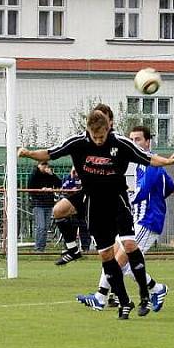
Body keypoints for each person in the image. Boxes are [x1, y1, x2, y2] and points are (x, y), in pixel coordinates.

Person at [19, 110, 174, 319]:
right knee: (106, 255)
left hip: (118, 201)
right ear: (88, 130)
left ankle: (143, 295)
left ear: (108, 129)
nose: (98, 141)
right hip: (94, 205)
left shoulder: (120, 143)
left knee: (129, 247)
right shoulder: (78, 143)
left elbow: (149, 158)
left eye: (102, 136)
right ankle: (122, 300)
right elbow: (50, 153)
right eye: (94, 137)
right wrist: (29, 153)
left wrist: (167, 161)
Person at [76, 126, 174, 312]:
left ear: (148, 142)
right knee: (115, 257)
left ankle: (102, 296)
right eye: (131, 139)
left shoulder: (151, 164)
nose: (133, 142)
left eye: (137, 139)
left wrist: (124, 201)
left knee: (121, 262)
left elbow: (142, 192)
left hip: (147, 221)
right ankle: (156, 288)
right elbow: (170, 186)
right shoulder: (138, 163)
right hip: (136, 220)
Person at [49, 103, 115, 266]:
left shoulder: (116, 141)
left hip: (110, 197)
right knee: (59, 210)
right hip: (89, 193)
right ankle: (72, 249)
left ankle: (113, 288)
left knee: (112, 250)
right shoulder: (88, 139)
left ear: (110, 122)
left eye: (103, 118)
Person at [27, 161, 61, 252]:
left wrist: (52, 174)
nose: (45, 167)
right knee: (40, 226)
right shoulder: (34, 174)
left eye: (46, 165)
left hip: (48, 203)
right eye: (43, 165)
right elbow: (30, 188)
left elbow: (59, 184)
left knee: (45, 227)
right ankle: (38, 248)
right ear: (38, 165)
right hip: (38, 204)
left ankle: (42, 247)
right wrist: (41, 190)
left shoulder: (49, 175)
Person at [60, 167, 90, 251]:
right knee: (71, 228)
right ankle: (70, 248)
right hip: (71, 208)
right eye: (75, 171)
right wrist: (72, 178)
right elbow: (63, 188)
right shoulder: (68, 178)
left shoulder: (85, 178)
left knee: (84, 227)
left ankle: (85, 248)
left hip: (83, 207)